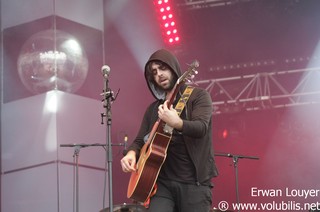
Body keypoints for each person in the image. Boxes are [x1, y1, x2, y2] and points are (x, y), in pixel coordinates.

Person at [120, 49, 218, 212]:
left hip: (194, 184)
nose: (159, 74)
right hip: (162, 184)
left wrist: (178, 123)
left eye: (162, 68)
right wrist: (131, 154)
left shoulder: (198, 96)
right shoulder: (153, 109)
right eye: (154, 72)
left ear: (173, 68)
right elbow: (139, 141)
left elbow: (201, 128)